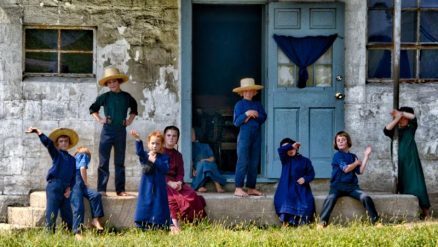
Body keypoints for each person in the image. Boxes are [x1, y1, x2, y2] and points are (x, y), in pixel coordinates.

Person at [89, 67, 138, 196]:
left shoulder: (126, 97)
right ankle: (101, 189)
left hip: (120, 131)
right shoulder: (104, 97)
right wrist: (100, 119)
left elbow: (134, 108)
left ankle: (120, 190)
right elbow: (93, 109)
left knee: (119, 161)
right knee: (103, 160)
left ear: (119, 82)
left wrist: (129, 120)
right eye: (109, 82)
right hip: (107, 131)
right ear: (107, 84)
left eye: (114, 81)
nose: (112, 84)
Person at [318, 131, 380, 227]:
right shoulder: (337, 156)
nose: (340, 142)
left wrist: (366, 157)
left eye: (343, 140)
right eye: (338, 140)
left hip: (352, 187)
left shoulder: (353, 156)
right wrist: (356, 163)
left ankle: (375, 221)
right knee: (330, 198)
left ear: (348, 142)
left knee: (365, 197)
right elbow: (346, 169)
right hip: (337, 186)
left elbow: (360, 171)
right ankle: (322, 223)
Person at [26, 127, 78, 233]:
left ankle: (68, 236)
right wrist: (38, 132)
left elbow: (73, 176)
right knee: (52, 213)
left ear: (69, 143)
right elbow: (49, 144)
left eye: (66, 141)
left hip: (65, 190)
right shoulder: (57, 154)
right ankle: (49, 237)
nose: (63, 143)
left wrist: (69, 188)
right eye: (61, 141)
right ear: (58, 144)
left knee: (67, 213)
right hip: (54, 186)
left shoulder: (73, 160)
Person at [384, 107, 431, 219]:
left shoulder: (411, 128)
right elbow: (386, 130)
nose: (402, 120)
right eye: (401, 118)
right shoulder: (395, 132)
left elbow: (414, 118)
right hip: (399, 165)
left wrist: (401, 113)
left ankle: (427, 213)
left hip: (411, 163)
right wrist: (397, 118)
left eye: (404, 118)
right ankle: (408, 212)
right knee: (403, 186)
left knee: (418, 186)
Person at [163, 126, 206, 234]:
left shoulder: (178, 155)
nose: (171, 138)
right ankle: (174, 225)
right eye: (168, 135)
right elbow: (158, 173)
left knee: (191, 194)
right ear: (164, 137)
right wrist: (169, 182)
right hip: (162, 181)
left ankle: (195, 221)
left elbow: (181, 172)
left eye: (174, 136)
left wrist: (179, 182)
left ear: (177, 138)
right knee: (173, 198)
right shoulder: (159, 153)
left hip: (176, 182)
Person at [232, 78, 267, 197]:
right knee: (243, 161)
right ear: (241, 93)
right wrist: (246, 114)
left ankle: (251, 187)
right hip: (244, 136)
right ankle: (238, 188)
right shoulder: (239, 105)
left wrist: (256, 114)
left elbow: (263, 117)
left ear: (254, 92)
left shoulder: (257, 104)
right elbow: (236, 122)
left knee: (254, 161)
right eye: (246, 91)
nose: (248, 93)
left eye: (251, 90)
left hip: (256, 135)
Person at [130, 130, 171, 230]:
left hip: (159, 186)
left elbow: (165, 169)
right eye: (152, 143)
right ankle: (142, 224)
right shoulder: (146, 156)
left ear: (161, 145)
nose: (155, 146)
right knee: (145, 203)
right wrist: (138, 139)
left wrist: (155, 160)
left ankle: (160, 225)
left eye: (157, 144)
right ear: (148, 144)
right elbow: (139, 152)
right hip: (146, 185)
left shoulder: (164, 157)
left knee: (159, 204)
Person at [274, 138, 315, 226]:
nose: (290, 150)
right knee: (287, 199)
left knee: (306, 201)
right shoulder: (285, 160)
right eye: (287, 149)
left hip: (301, 188)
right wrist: (291, 146)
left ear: (296, 148)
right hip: (287, 186)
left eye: (292, 148)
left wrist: (305, 179)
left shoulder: (305, 161)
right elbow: (280, 150)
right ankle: (286, 222)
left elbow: (311, 174)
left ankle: (301, 222)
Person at [71, 146, 104, 240]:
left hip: (78, 183)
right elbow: (82, 168)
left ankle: (95, 219)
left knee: (96, 195)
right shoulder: (83, 155)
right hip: (76, 182)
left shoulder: (74, 158)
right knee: (79, 206)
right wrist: (85, 182)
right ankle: (77, 231)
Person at [191, 128, 226, 193]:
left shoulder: (205, 146)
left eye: (192, 133)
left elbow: (212, 158)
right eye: (190, 133)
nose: (191, 135)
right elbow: (190, 161)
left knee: (206, 165)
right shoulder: (189, 147)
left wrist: (205, 160)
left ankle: (200, 186)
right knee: (204, 166)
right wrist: (192, 169)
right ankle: (217, 185)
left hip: (209, 164)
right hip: (198, 167)